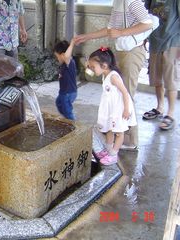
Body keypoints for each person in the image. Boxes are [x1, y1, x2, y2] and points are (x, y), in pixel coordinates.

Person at [74, 0, 153, 150]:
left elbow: (148, 23)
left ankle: (129, 139)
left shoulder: (130, 1)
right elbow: (111, 29)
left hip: (133, 51)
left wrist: (121, 33)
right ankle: (118, 133)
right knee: (119, 94)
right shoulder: (118, 3)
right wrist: (87, 37)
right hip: (123, 49)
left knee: (126, 93)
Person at [88, 47, 137, 165]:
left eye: (93, 67)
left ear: (104, 66)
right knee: (109, 129)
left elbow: (125, 92)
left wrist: (126, 109)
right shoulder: (106, 74)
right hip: (111, 109)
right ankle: (108, 150)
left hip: (119, 109)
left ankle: (114, 154)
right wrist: (90, 64)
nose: (92, 69)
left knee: (119, 132)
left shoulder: (113, 76)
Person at [142, 0, 180, 130]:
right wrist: (144, 35)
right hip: (155, 40)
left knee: (171, 78)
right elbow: (145, 13)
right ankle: (160, 107)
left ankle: (171, 113)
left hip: (173, 40)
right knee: (156, 77)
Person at [53, 39, 77, 120]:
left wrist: (72, 43)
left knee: (67, 110)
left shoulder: (69, 63)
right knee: (59, 103)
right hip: (64, 92)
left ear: (63, 55)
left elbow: (67, 56)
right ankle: (66, 118)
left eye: (57, 56)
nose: (57, 59)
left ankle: (73, 123)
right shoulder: (64, 64)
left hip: (68, 93)